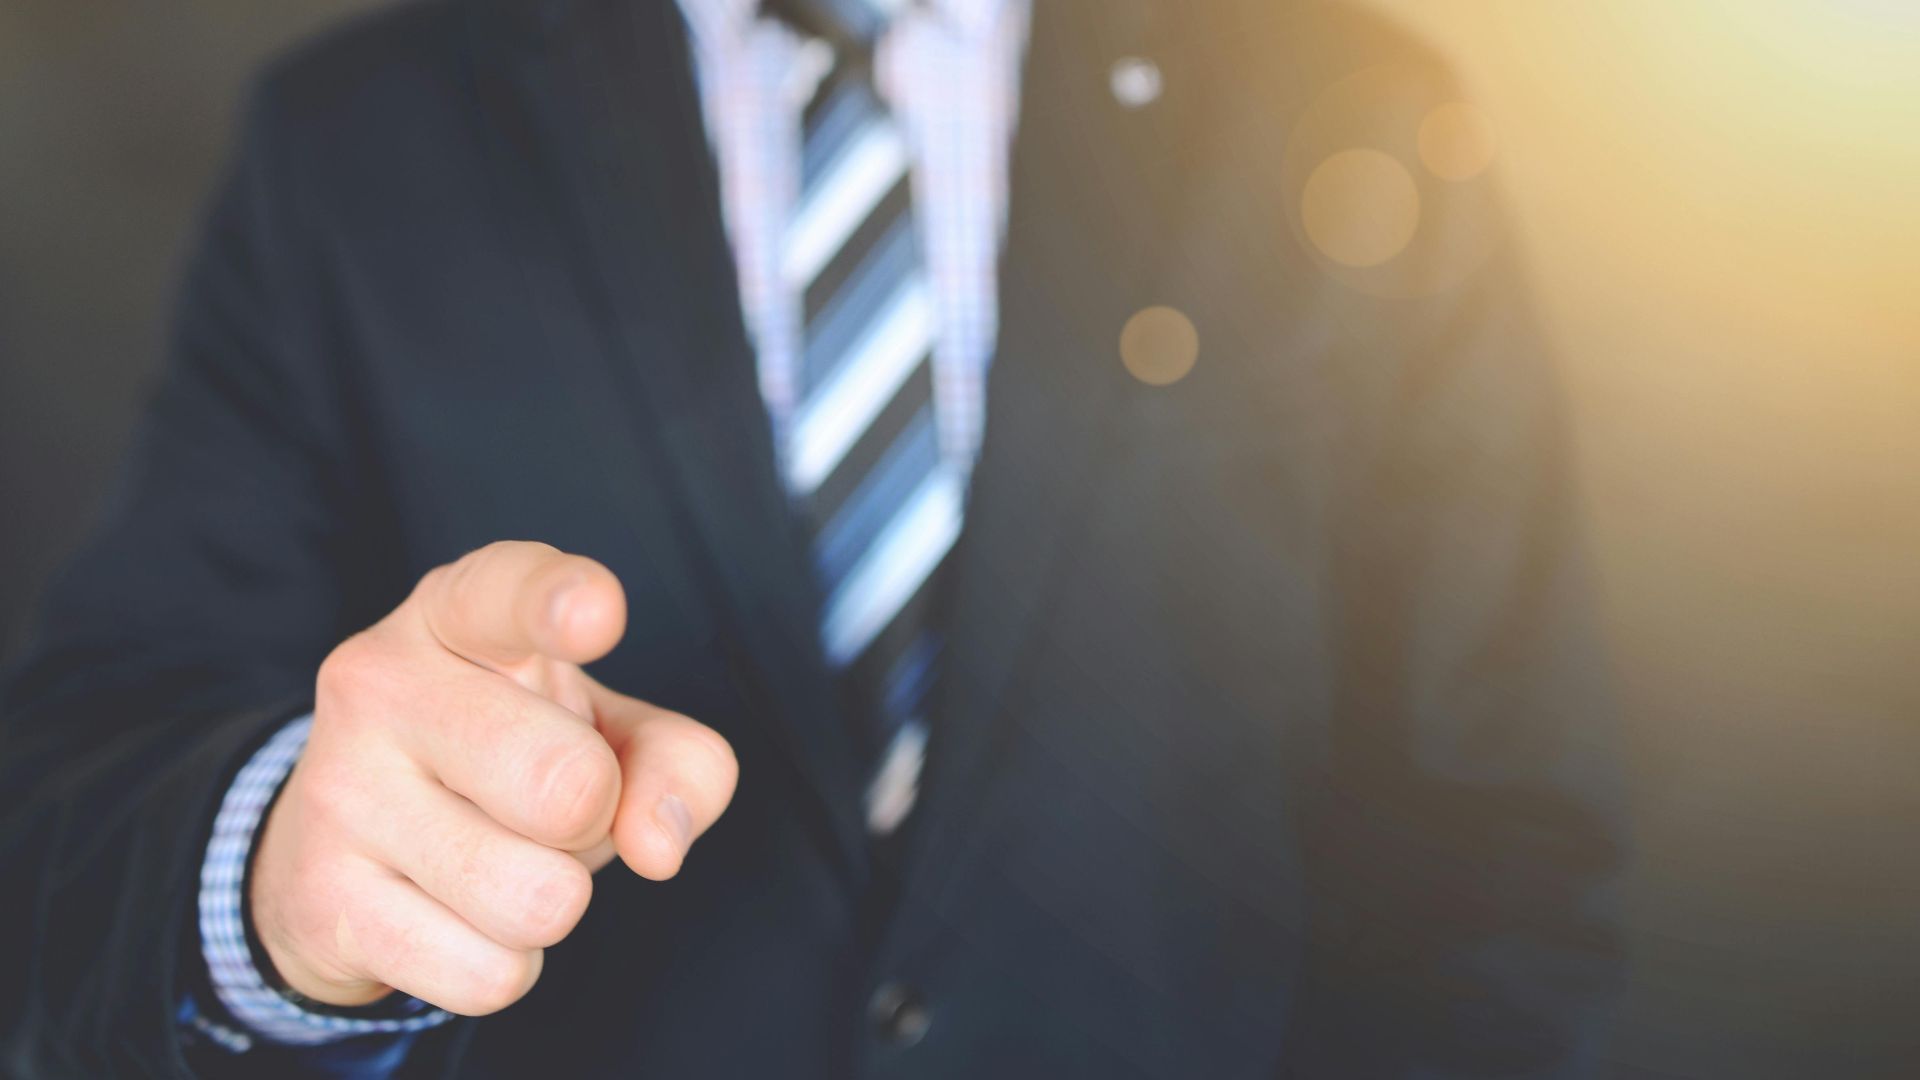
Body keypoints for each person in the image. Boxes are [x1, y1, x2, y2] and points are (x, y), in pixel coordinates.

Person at [0, 0, 1627, 1076]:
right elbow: (88, 778)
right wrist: (288, 878)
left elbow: (1505, 837)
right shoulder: (358, 142)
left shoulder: (1340, 104)